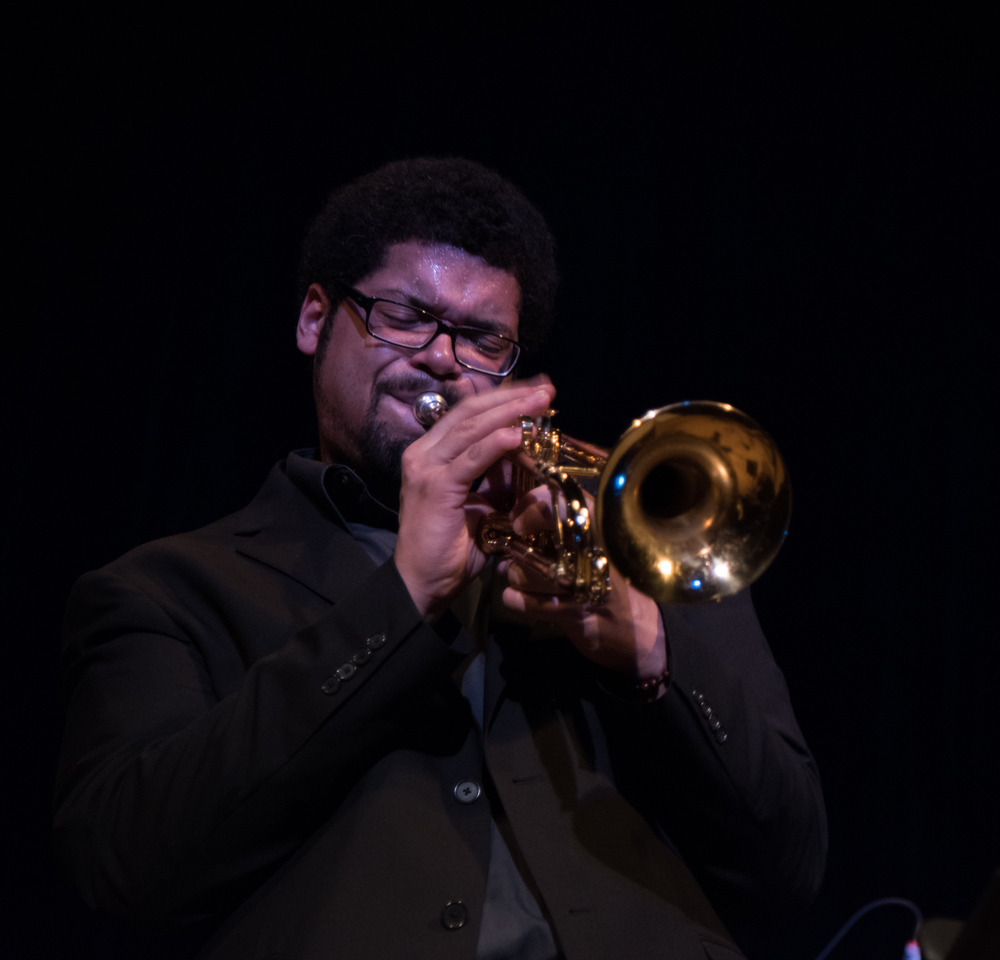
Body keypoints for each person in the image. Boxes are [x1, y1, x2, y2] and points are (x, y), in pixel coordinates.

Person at [54, 157, 827, 959]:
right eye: (404, 315)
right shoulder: (163, 591)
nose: (442, 359)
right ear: (315, 320)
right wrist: (404, 597)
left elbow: (788, 871)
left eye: (482, 338)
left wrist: (650, 661)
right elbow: (127, 871)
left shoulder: (634, 560)